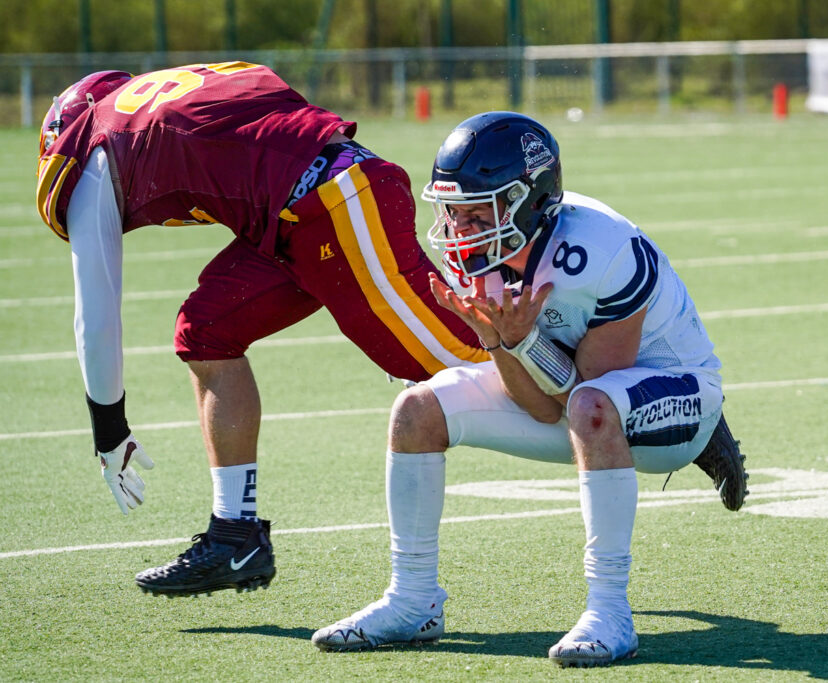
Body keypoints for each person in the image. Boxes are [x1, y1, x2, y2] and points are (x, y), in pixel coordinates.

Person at [310, 112, 748, 666]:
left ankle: (609, 611)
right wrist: (499, 342)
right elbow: (540, 408)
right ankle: (412, 600)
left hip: (680, 397)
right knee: (416, 411)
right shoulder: (480, 255)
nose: (460, 228)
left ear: (529, 201)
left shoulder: (603, 250)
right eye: (454, 211)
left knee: (592, 405)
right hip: (577, 399)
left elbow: (584, 399)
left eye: (477, 212)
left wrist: (523, 343)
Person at [35, 63, 487, 598]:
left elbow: (96, 315)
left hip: (334, 203)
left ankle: (579, 389)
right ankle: (235, 535)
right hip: (300, 211)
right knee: (206, 331)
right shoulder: (179, 92)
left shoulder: (96, 145)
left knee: (479, 365)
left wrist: (109, 430)